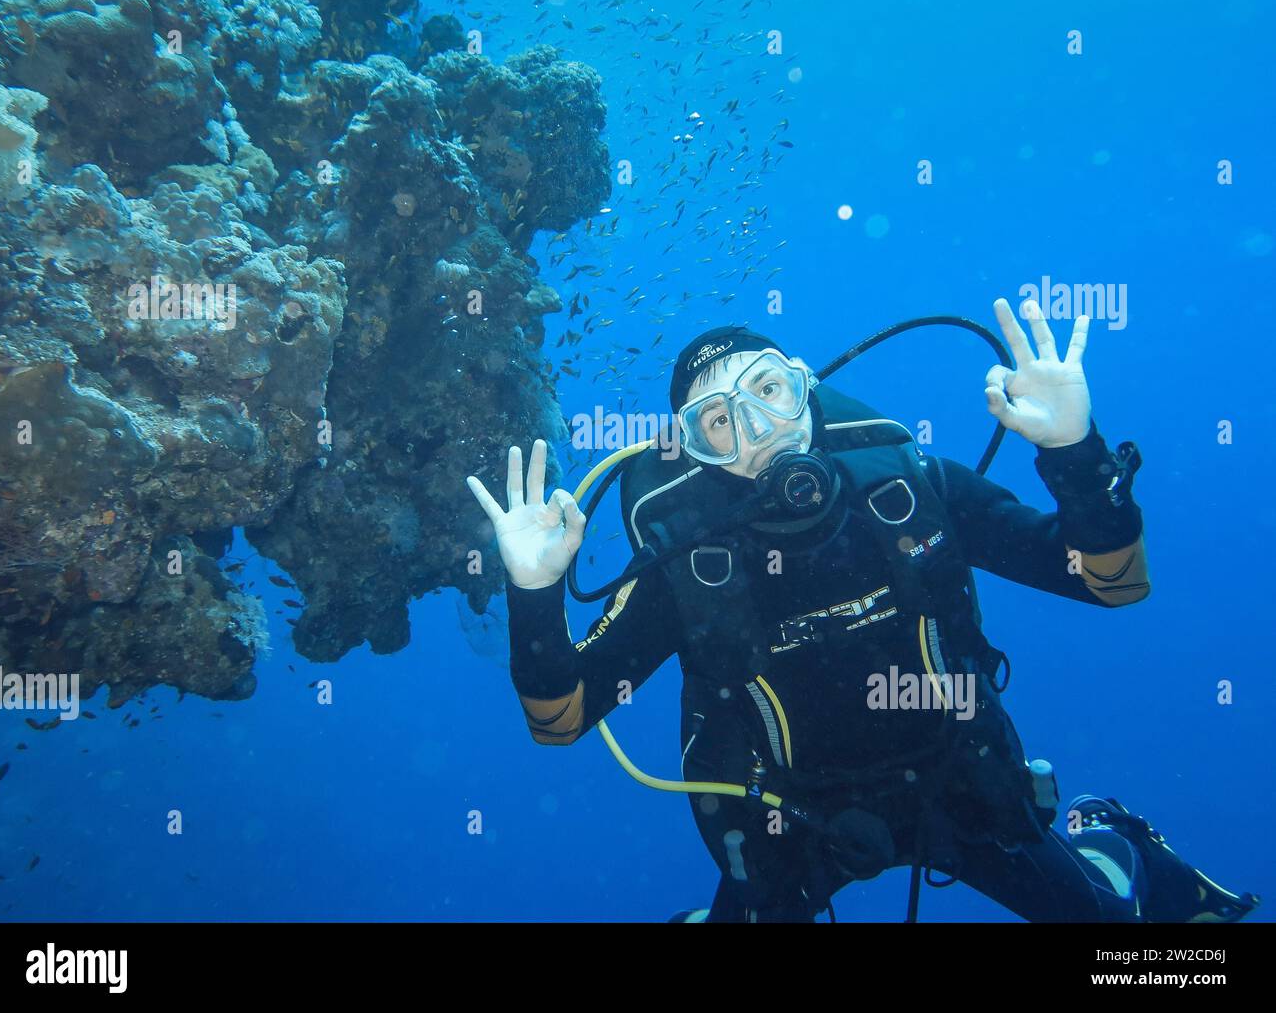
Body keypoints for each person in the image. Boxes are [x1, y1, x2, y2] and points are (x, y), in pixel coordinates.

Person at [466, 299, 1259, 923]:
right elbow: (561, 718)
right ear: (698, 450)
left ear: (804, 388)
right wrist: (533, 594)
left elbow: (1112, 581)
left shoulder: (908, 490)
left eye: (767, 392)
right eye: (719, 422)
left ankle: (1116, 842)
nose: (757, 433)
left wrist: (1075, 452)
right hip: (792, 825)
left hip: (958, 783)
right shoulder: (686, 568)